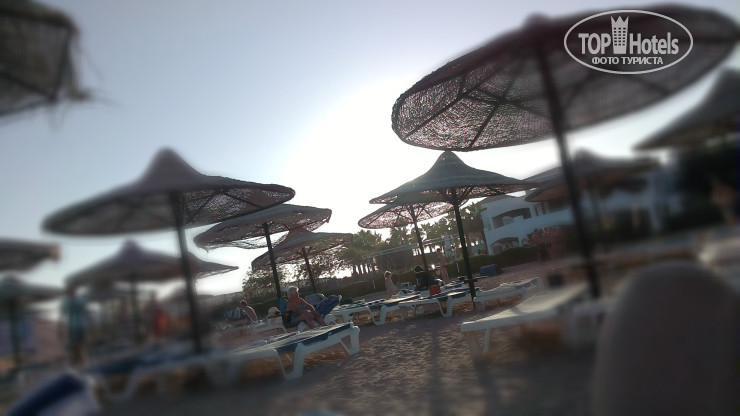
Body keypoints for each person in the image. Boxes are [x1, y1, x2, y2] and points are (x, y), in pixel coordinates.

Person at [58, 286, 90, 366]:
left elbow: (86, 312)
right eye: (70, 291)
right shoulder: (66, 302)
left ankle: (82, 361)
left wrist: (91, 323)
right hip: (71, 327)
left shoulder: (80, 300)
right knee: (74, 346)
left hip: (81, 325)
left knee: (81, 345)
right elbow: (62, 315)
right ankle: (77, 362)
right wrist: (59, 327)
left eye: (73, 291)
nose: (72, 293)